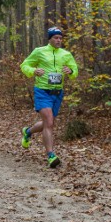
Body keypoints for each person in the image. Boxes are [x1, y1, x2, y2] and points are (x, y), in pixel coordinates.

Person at [19, 27, 78, 168]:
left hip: (57, 93)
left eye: (60, 38)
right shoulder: (39, 51)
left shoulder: (66, 54)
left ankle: (27, 132)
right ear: (50, 39)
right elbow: (24, 65)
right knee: (49, 121)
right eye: (55, 38)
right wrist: (33, 70)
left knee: (48, 123)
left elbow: (75, 70)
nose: (58, 40)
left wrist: (71, 71)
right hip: (42, 91)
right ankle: (51, 155)